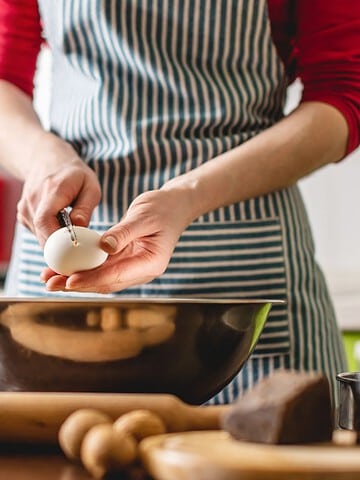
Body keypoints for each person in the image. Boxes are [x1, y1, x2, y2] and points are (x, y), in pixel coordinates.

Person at [0, 0, 359, 403]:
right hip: (62, 271)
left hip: (240, 283)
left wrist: (188, 196)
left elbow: (342, 93)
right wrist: (43, 160)